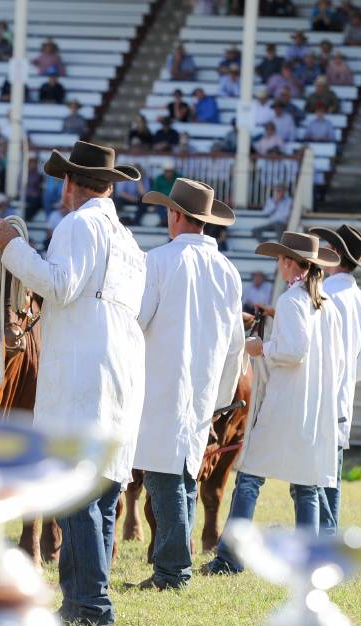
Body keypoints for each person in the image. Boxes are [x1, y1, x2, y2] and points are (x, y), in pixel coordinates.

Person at [0, 141, 146, 626]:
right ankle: (83, 602)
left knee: (80, 495)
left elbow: (57, 284)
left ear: (74, 183)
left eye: (64, 181)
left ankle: (92, 606)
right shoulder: (129, 241)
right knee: (98, 494)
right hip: (119, 368)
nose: (61, 190)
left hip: (84, 370)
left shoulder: (79, 225)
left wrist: (9, 245)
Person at [203, 231, 344, 575]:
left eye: (281, 258)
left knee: (250, 478)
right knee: (307, 484)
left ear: (290, 263)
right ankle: (309, 558)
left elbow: (294, 350)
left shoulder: (292, 300)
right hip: (314, 406)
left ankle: (230, 559)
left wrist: (260, 348)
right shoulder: (326, 304)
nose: (279, 264)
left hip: (285, 404)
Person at [134, 179, 242, 591]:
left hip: (161, 383)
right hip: (202, 390)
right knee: (184, 479)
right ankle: (174, 566)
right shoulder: (228, 271)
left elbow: (138, 320)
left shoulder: (159, 261)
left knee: (164, 479)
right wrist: (222, 399)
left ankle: (172, 571)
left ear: (176, 215)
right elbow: (235, 346)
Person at [309, 225, 361, 536]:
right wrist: (347, 377)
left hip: (315, 400)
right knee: (330, 482)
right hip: (341, 404)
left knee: (311, 482)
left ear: (335, 255)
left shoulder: (324, 295)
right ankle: (327, 542)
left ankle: (324, 542)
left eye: (327, 248)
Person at [149, 162, 179, 227]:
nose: (168, 173)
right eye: (166, 171)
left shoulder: (179, 178)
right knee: (158, 205)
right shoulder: (159, 178)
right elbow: (154, 192)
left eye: (169, 171)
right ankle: (165, 221)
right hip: (162, 201)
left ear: (173, 171)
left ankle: (167, 222)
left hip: (175, 201)